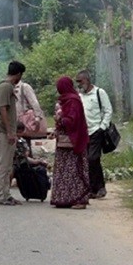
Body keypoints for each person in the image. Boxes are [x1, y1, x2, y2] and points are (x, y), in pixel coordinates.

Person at [50, 76, 91, 210]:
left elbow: (72, 121)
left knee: (74, 170)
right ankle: (64, 198)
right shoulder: (65, 100)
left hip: (74, 141)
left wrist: (60, 119)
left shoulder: (73, 101)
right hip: (64, 142)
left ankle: (78, 199)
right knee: (64, 170)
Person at [76, 69, 113, 199]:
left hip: (96, 131)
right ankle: (94, 188)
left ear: (87, 80)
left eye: (80, 81)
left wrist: (102, 127)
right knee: (88, 160)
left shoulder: (99, 92)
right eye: (77, 82)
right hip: (84, 132)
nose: (79, 84)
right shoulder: (79, 96)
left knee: (93, 158)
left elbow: (108, 110)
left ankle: (99, 187)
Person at [0, 60, 26, 206]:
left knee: (6, 165)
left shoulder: (6, 86)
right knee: (2, 165)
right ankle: (0, 196)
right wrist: (9, 131)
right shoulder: (6, 87)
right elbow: (3, 109)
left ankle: (5, 194)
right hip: (3, 131)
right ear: (18, 74)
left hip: (6, 131)